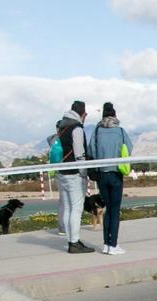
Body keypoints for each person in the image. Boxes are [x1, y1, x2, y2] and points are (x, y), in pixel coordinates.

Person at [86, 101, 134, 254]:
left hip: (101, 175)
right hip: (115, 174)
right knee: (114, 210)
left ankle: (106, 244)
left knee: (107, 209)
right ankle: (113, 245)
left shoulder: (96, 131)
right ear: (114, 115)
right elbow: (129, 148)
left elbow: (91, 151)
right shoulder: (120, 131)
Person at [54, 101, 94, 252]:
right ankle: (74, 242)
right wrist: (84, 173)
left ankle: (71, 240)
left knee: (68, 208)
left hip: (62, 173)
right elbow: (79, 153)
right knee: (76, 209)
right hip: (74, 174)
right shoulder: (76, 128)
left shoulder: (62, 126)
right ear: (83, 114)